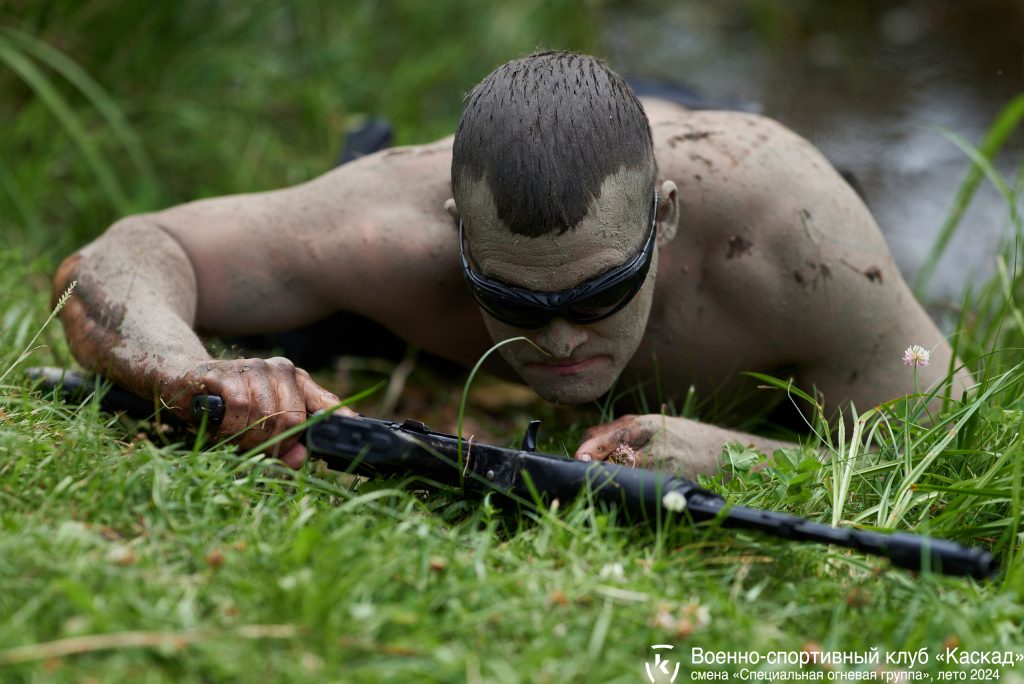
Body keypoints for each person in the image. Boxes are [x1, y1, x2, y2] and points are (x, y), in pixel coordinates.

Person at [52, 51, 971, 477]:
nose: (563, 336)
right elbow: (128, 253)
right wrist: (188, 370)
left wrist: (744, 459)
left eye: (603, 289)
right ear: (456, 236)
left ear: (667, 221)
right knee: (284, 322)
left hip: (703, 134)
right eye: (514, 299)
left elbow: (951, 442)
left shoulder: (789, 238)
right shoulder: (386, 225)